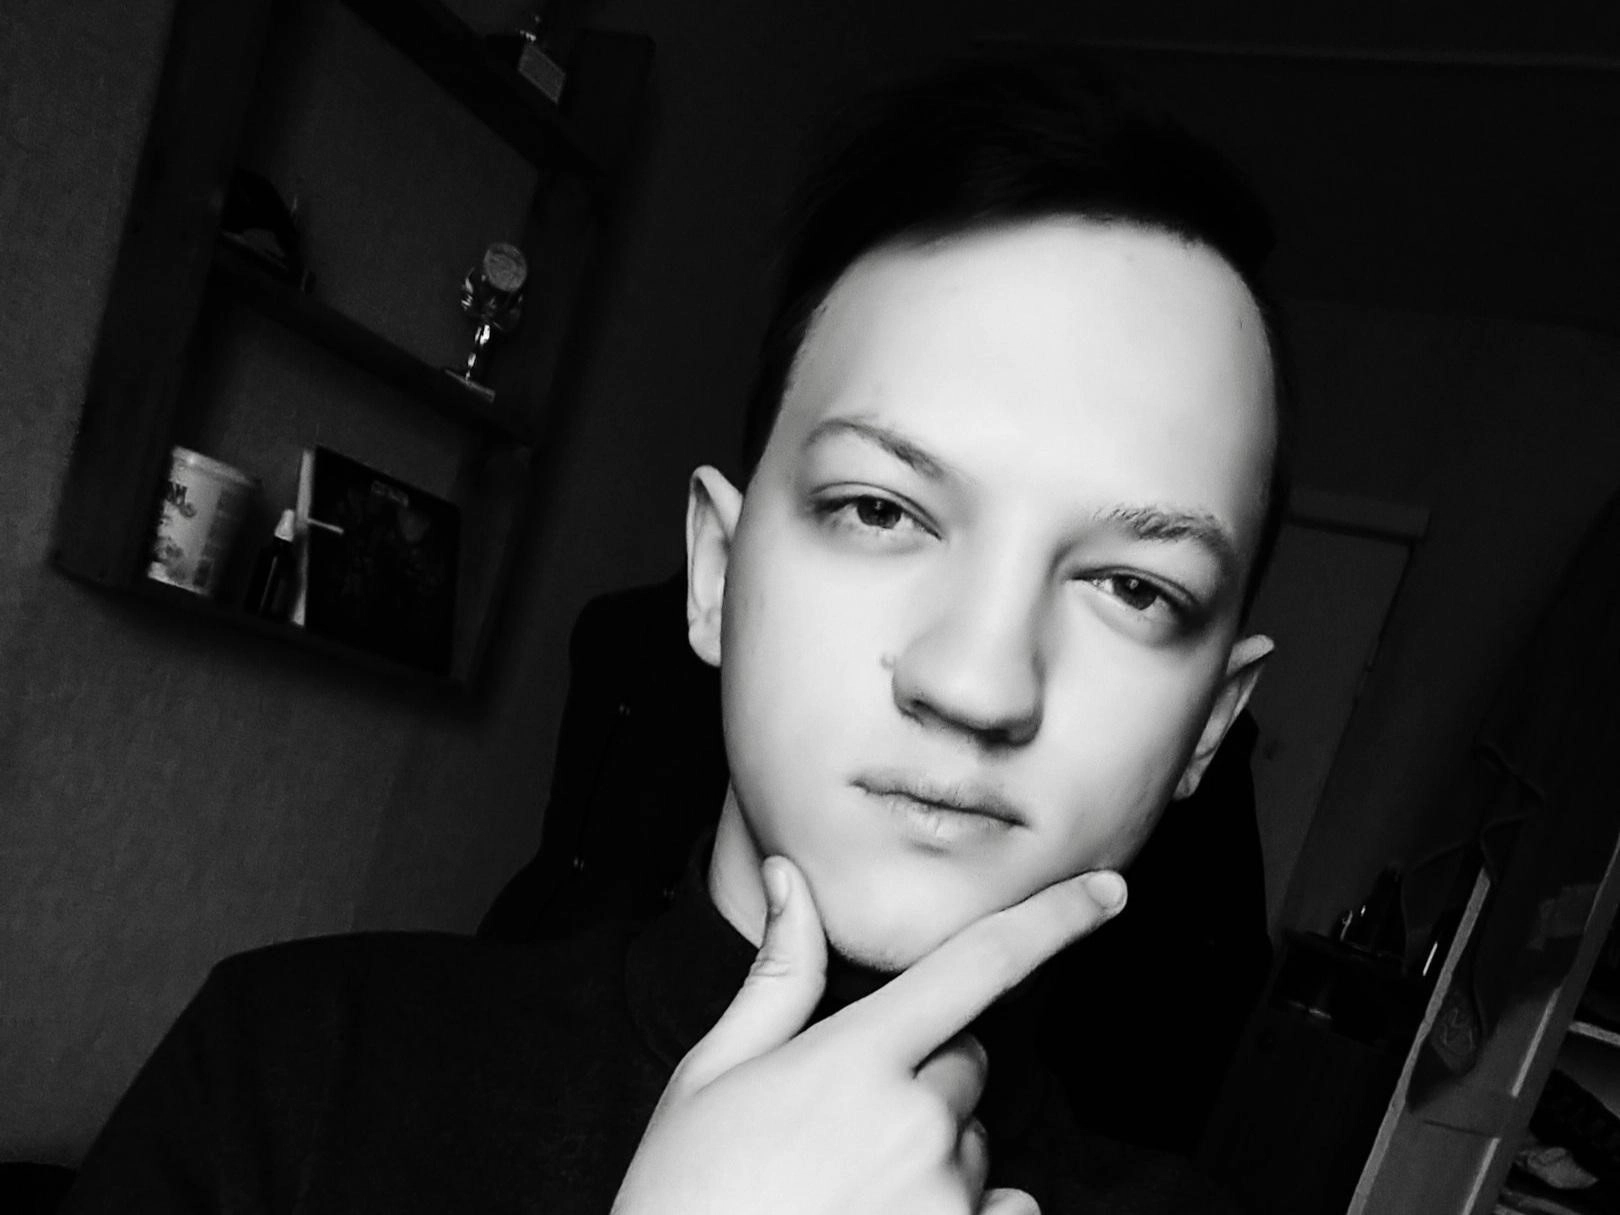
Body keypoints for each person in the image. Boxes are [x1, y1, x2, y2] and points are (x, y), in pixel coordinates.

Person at [64, 47, 1285, 1215]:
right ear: (716, 573)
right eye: (880, 509)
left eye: (1135, 589)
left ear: (1211, 727)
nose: (976, 681)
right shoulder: (289, 1071)